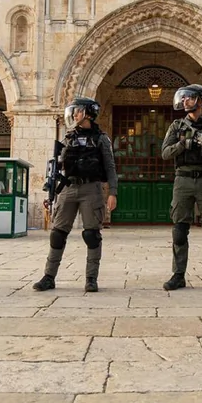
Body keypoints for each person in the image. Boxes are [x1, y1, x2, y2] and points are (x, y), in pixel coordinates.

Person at [33, 97, 117, 293]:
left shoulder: (101, 139)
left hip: (91, 189)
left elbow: (110, 167)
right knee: (57, 233)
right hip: (68, 189)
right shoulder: (68, 138)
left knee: (91, 234)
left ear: (88, 113)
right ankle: (49, 277)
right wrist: (51, 190)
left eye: (77, 111)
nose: (74, 114)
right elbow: (56, 166)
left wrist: (112, 192)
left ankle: (91, 279)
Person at [160, 84, 202, 292]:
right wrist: (184, 145)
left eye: (189, 98)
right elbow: (165, 153)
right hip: (183, 180)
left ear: (200, 101)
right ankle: (178, 275)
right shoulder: (177, 127)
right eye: (184, 98)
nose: (185, 102)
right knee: (180, 230)